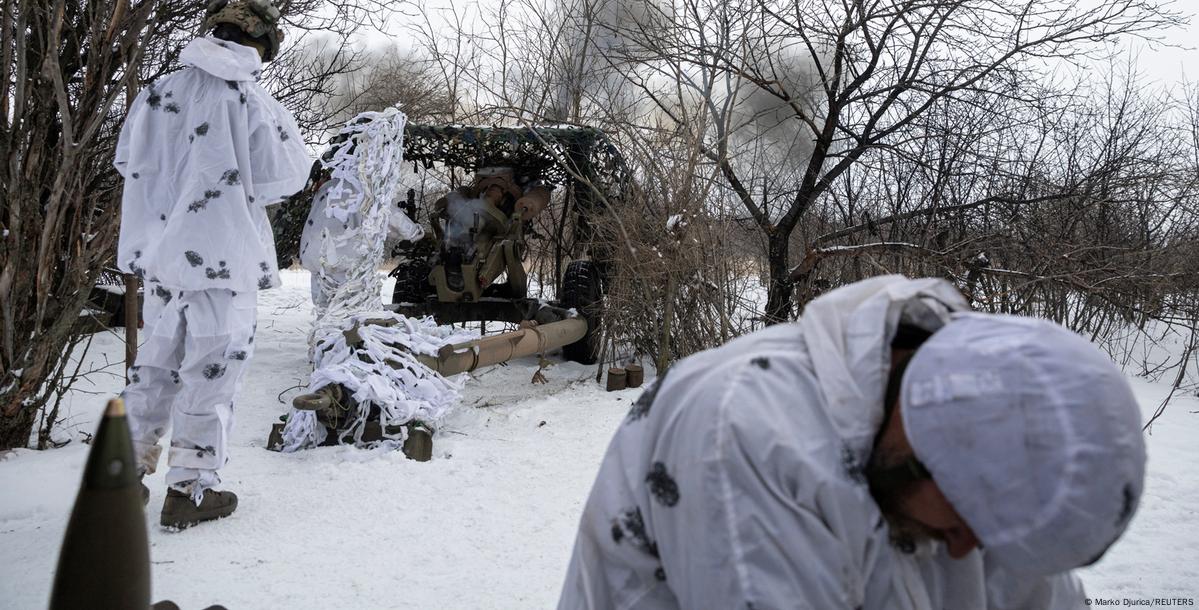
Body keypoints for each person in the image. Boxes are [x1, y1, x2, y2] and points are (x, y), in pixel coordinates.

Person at [558, 275, 1145, 609]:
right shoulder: (746, 431)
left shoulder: (987, 464)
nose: (966, 549)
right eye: (969, 521)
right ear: (931, 437)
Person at [115, 0, 311, 529]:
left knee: (152, 369)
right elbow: (285, 177)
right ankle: (190, 490)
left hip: (161, 262)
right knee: (212, 372)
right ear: (264, 44)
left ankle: (119, 481)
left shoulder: (155, 94)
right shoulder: (251, 100)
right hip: (225, 262)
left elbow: (126, 160)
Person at [298, 117, 426, 313]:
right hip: (343, 259)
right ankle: (346, 341)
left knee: (325, 310)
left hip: (316, 257)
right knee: (351, 311)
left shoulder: (327, 188)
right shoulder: (363, 188)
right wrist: (415, 232)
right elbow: (390, 217)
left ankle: (326, 340)